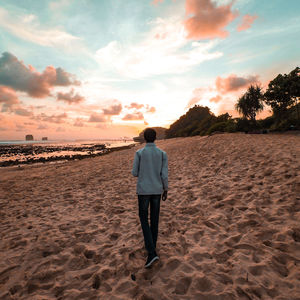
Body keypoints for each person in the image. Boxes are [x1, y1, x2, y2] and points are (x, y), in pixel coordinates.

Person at [132, 128, 168, 268]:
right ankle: (153, 248)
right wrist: (166, 189)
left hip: (143, 190)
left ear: (145, 139)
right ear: (156, 138)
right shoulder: (162, 153)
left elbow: (134, 173)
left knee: (143, 218)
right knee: (154, 219)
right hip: (157, 189)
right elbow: (164, 175)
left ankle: (151, 251)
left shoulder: (139, 153)